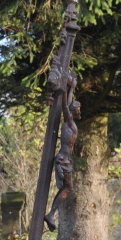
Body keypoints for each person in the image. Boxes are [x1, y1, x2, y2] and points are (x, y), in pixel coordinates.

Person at [44, 94, 81, 231]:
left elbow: (68, 102)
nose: (80, 112)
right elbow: (65, 105)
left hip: (67, 161)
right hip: (63, 161)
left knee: (68, 188)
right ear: (73, 110)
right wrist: (63, 91)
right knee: (67, 188)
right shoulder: (68, 121)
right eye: (78, 109)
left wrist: (70, 88)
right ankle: (51, 214)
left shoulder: (71, 123)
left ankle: (51, 214)